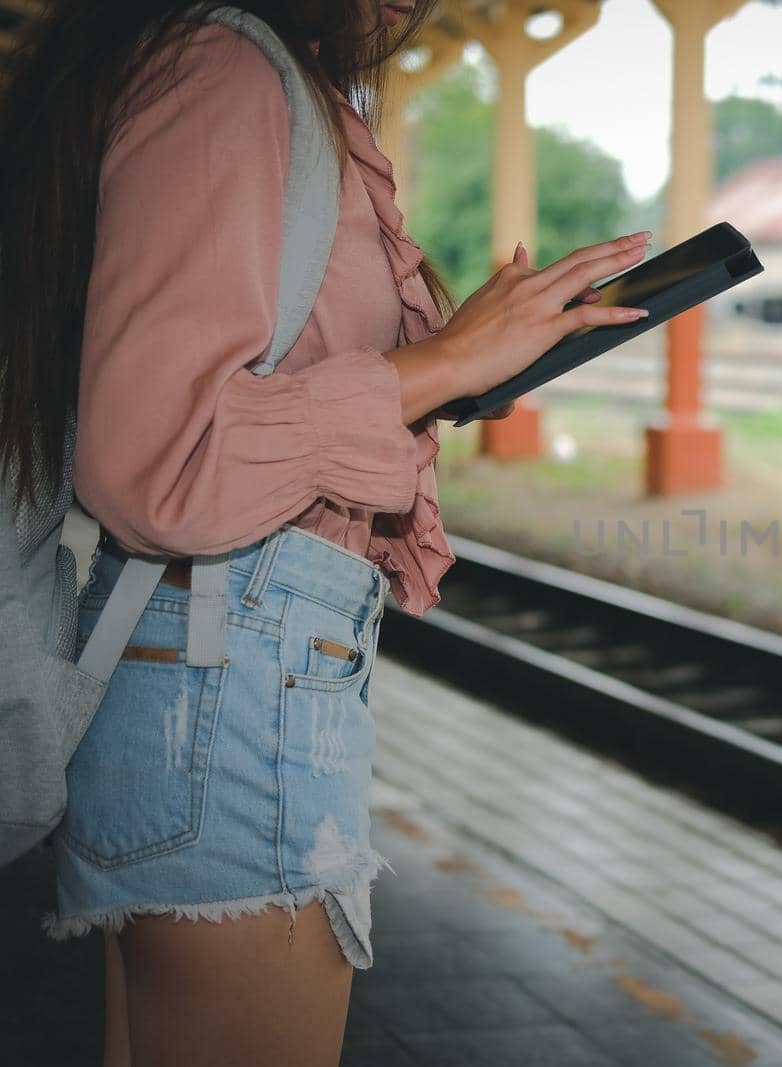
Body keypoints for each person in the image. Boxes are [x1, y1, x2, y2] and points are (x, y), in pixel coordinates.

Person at [0, 1, 651, 1063]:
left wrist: (453, 357)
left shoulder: (235, 71)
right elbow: (163, 457)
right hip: (232, 672)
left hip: (220, 664)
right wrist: (437, 367)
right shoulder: (223, 69)